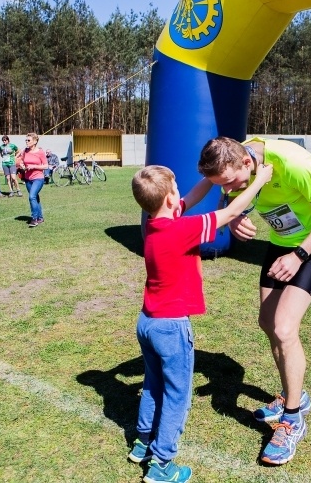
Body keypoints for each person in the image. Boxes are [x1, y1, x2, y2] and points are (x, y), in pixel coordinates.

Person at [195, 136, 311, 465]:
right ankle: (295, 395)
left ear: (247, 163)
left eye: (231, 181)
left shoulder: (293, 163)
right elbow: (227, 193)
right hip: (280, 245)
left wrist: (299, 255)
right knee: (267, 322)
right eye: (222, 184)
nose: (228, 189)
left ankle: (292, 420)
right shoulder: (236, 157)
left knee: (284, 328)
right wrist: (234, 215)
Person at [129, 162, 274, 483]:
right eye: (176, 189)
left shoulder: (154, 223)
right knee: (177, 396)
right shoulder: (182, 229)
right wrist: (260, 180)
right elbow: (231, 211)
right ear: (169, 199)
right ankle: (162, 464)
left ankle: (143, 442)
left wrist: (210, 178)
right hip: (170, 327)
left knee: (153, 384)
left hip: (147, 322)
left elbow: (190, 198)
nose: (181, 194)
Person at [15, 133, 48, 228]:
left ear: (35, 141)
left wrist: (34, 166)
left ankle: (34, 219)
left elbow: (46, 166)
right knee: (35, 198)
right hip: (28, 178)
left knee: (31, 196)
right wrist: (21, 165)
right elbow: (20, 161)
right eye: (26, 140)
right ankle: (40, 218)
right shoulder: (25, 151)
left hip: (38, 178)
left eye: (28, 140)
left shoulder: (40, 152)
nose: (26, 142)